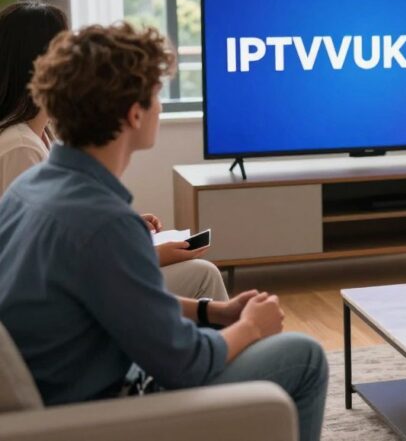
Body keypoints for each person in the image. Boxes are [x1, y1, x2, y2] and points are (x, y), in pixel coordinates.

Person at [0, 23, 327, 441]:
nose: (158, 108)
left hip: (74, 382)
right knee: (304, 356)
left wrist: (214, 313)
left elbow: (123, 301)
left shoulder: (32, 187)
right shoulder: (104, 222)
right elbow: (186, 363)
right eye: (156, 96)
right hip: (109, 407)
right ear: (134, 113)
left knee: (225, 327)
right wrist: (250, 327)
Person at [0, 1, 226, 300]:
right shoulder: (20, 147)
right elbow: (41, 266)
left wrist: (128, 233)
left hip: (73, 291)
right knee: (204, 276)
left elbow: (66, 238)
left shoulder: (41, 136)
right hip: (66, 302)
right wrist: (151, 254)